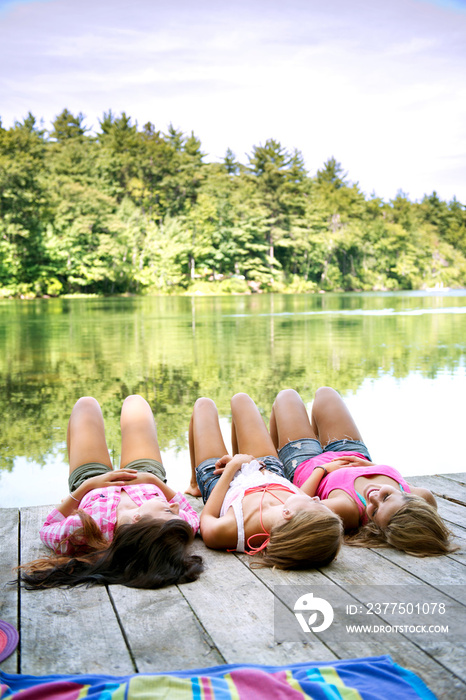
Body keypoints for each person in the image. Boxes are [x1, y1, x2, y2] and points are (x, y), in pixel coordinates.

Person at [19, 395, 203, 589]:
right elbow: (192, 515)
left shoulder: (87, 528)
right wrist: (153, 480)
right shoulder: (175, 531)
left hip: (91, 482)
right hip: (145, 476)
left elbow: (48, 527)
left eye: (168, 511)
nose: (175, 506)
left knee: (85, 404)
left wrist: (85, 488)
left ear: (138, 519)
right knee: (135, 402)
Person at [269, 387, 457, 557]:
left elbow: (298, 501)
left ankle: (275, 460)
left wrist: (322, 470)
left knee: (286, 397)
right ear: (410, 498)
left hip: (306, 461)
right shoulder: (422, 496)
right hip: (350, 450)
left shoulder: (349, 509)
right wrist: (370, 466)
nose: (372, 497)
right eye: (386, 497)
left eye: (374, 511)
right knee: (326, 394)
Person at [186, 392, 343, 569]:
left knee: (203, 405)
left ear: (288, 513)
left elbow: (206, 516)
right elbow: (301, 495)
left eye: (319, 505)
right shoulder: (294, 514)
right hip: (266, 469)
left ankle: (195, 484)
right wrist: (321, 469)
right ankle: (227, 465)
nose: (317, 499)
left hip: (221, 482)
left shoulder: (234, 529)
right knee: (241, 399)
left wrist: (233, 467)